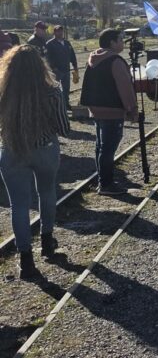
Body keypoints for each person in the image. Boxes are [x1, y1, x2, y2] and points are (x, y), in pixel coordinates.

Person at [0, 46, 70, 279]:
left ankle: (26, 260)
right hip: (45, 149)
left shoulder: (3, 91)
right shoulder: (52, 91)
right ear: (40, 65)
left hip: (12, 150)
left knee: (18, 205)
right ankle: (48, 243)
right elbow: (63, 128)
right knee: (47, 193)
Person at [79, 29, 138, 195]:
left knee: (101, 146)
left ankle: (102, 180)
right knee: (108, 148)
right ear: (112, 42)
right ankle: (106, 184)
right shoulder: (115, 61)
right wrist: (132, 109)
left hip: (96, 109)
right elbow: (125, 88)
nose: (123, 42)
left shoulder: (94, 58)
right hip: (112, 109)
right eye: (120, 39)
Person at [44, 25, 79, 111]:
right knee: (55, 89)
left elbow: (72, 55)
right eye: (58, 31)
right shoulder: (50, 44)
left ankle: (66, 104)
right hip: (56, 71)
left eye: (61, 31)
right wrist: (54, 68)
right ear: (54, 32)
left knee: (66, 89)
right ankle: (56, 106)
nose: (60, 33)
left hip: (66, 70)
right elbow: (48, 58)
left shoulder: (67, 43)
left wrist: (75, 66)